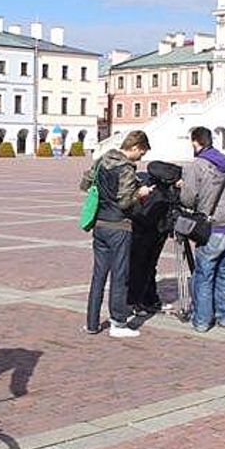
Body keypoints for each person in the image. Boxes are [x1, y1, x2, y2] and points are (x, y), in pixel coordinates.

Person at [80, 130, 152, 338]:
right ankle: (118, 323)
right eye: (142, 152)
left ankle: (92, 323)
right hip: (119, 226)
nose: (141, 157)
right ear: (136, 147)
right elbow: (124, 201)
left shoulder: (103, 160)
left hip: (100, 224)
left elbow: (85, 184)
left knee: (98, 275)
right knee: (120, 275)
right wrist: (141, 193)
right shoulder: (126, 168)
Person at [180, 126, 225, 332]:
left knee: (204, 276)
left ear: (196, 142)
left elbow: (188, 198)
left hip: (211, 228)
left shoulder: (197, 165)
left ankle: (203, 321)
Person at [128, 160, 181, 316]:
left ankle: (147, 300)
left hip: (150, 229)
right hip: (148, 230)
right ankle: (136, 302)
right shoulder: (163, 187)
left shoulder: (160, 184)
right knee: (142, 267)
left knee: (146, 266)